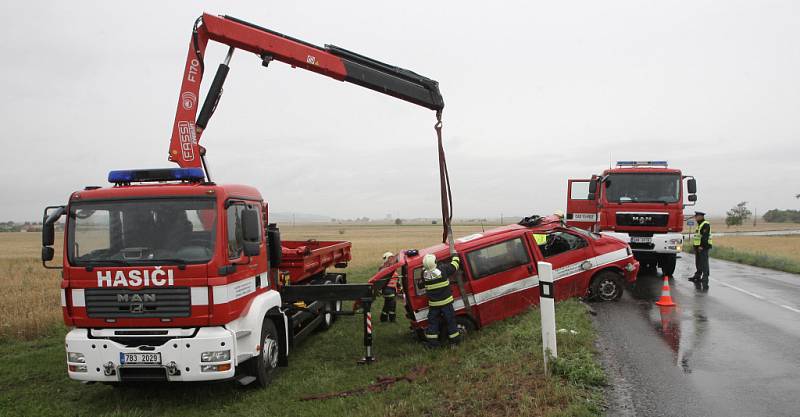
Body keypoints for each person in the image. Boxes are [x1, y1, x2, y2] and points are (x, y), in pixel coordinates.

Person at [422, 253, 462, 347]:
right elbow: (454, 266)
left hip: (434, 305)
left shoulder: (423, 275)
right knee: (450, 321)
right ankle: (455, 343)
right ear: (435, 262)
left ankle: (433, 345)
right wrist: (455, 256)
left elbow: (428, 271)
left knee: (432, 323)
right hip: (446, 303)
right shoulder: (443, 269)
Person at [689, 211, 713, 291]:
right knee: (698, 262)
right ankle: (697, 275)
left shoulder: (705, 224)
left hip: (703, 247)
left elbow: (705, 236)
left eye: (697, 216)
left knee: (704, 262)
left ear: (701, 216)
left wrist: (701, 246)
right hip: (698, 246)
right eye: (695, 216)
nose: (696, 217)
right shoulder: (700, 224)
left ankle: (705, 277)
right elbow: (698, 236)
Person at [378, 252, 400, 322]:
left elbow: (396, 279)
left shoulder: (392, 268)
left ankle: (383, 318)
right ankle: (392, 319)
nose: (392, 260)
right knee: (392, 303)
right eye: (390, 258)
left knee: (387, 304)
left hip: (392, 289)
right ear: (387, 259)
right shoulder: (384, 269)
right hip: (387, 289)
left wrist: (399, 287)